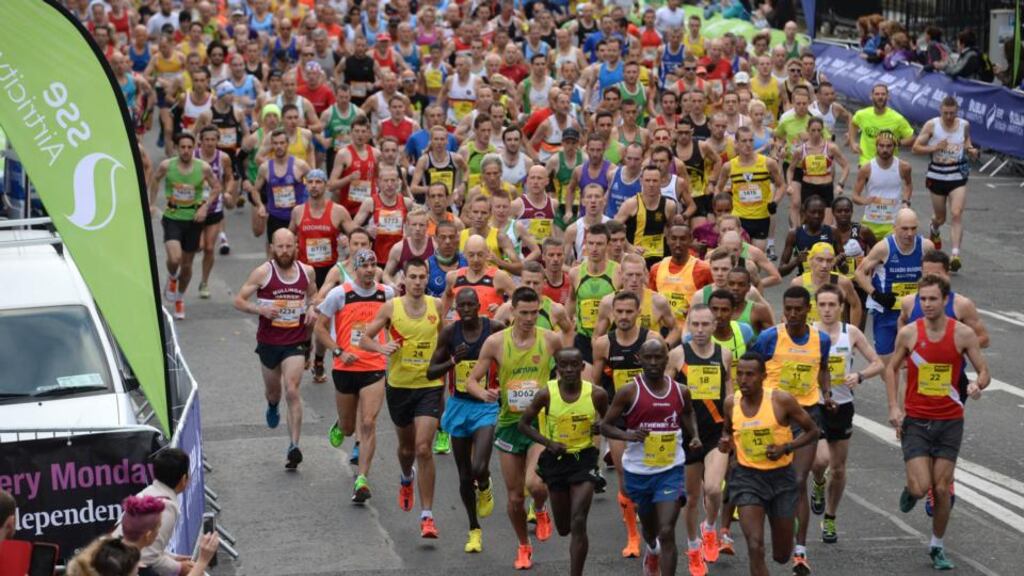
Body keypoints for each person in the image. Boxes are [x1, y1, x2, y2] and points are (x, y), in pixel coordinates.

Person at [886, 275, 989, 570]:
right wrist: (894, 407)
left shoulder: (963, 334)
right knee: (921, 488)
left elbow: (984, 371)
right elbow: (892, 368)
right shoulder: (909, 333)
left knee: (942, 488)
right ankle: (911, 491)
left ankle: (937, 546)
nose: (927, 304)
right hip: (916, 419)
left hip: (950, 420)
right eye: (923, 299)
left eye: (933, 299)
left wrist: (977, 385)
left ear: (945, 300)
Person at [465, 287, 563, 570]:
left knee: (535, 484)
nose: (530, 318)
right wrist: (484, 394)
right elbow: (471, 380)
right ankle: (523, 544)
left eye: (534, 313)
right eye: (524, 313)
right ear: (512, 311)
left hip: (539, 423)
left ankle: (540, 508)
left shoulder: (550, 339)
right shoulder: (496, 343)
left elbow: (570, 368)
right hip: (509, 424)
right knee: (515, 497)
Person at [750, 286, 836, 575]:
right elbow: (751, 368)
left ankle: (800, 552)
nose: (793, 314)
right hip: (774, 418)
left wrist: (827, 393)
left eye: (799, 309)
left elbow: (823, 368)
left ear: (808, 309)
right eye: (788, 309)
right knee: (766, 482)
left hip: (807, 417)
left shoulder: (821, 339)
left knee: (797, 480)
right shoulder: (769, 337)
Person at [358, 258, 445, 538]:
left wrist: (446, 372)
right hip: (399, 386)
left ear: (428, 278)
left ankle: (427, 515)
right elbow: (363, 339)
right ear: (404, 279)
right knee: (407, 450)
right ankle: (406, 477)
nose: (418, 282)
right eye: (413, 277)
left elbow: (444, 342)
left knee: (423, 448)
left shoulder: (437, 306)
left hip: (429, 385)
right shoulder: (391, 307)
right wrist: (381, 348)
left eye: (422, 277)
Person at [600, 339, 702, 576]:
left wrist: (695, 435)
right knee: (650, 530)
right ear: (639, 359)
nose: (654, 362)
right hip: (639, 472)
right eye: (649, 357)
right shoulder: (629, 391)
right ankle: (652, 550)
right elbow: (605, 426)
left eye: (659, 357)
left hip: (670, 469)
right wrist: (629, 435)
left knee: (667, 531)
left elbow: (688, 413)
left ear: (667, 359)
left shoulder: (680, 391)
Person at [720, 352, 820, 576]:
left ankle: (788, 526)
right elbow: (727, 430)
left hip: (781, 479)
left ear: (763, 376)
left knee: (781, 555)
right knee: (755, 545)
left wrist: (786, 447)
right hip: (747, 479)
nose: (743, 380)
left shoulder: (781, 400)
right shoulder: (731, 403)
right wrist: (726, 442)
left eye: (750, 374)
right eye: (739, 374)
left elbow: (813, 431)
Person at [517, 348, 609, 576]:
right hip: (556, 461)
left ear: (582, 367)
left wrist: (602, 426)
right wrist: (548, 443)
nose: (569, 370)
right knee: (564, 527)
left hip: (584, 459)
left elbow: (610, 419)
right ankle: (548, 513)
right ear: (556, 367)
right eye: (563, 365)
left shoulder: (596, 394)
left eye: (574, 365)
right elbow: (523, 424)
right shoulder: (546, 394)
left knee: (578, 521)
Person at [426, 289, 503, 553]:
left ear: (479, 305)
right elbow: (430, 372)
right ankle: (474, 529)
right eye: (462, 305)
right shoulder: (450, 333)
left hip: (485, 406)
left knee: (480, 466)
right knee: (464, 474)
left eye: (471, 304)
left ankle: (485, 484)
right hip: (459, 406)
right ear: (456, 308)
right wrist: (452, 361)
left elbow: (510, 356)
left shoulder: (494, 328)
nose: (467, 309)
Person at [234, 229, 317, 469]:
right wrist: (260, 310)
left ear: (296, 247)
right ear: (272, 248)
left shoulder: (307, 271)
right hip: (269, 342)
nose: (284, 251)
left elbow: (313, 295)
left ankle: (294, 446)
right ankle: (272, 406)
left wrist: (312, 307)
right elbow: (238, 300)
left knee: (292, 389)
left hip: (295, 341)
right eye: (280, 247)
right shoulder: (263, 272)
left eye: (289, 246)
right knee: (274, 393)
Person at [315, 249, 393, 502]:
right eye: (364, 265)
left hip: (374, 365)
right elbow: (319, 327)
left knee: (368, 422)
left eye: (373, 265)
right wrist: (338, 350)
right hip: (345, 366)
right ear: (355, 269)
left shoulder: (387, 294)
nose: (369, 270)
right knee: (349, 428)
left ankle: (362, 479)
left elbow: (397, 322)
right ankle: (341, 424)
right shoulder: (340, 294)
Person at [591, 290, 665, 558]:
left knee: (652, 473)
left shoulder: (652, 340)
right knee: (624, 474)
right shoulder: (603, 344)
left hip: (649, 417)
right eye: (619, 311)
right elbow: (596, 385)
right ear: (612, 313)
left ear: (638, 313)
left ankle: (650, 520)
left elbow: (664, 379)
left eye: (628, 311)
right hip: (619, 418)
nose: (623, 316)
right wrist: (596, 418)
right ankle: (633, 536)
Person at [806, 284, 883, 543]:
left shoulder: (851, 333)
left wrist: (859, 375)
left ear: (841, 307)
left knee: (838, 469)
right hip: (815, 404)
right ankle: (818, 482)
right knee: (820, 461)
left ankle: (830, 517)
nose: (827, 310)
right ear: (816, 307)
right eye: (822, 305)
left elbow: (878, 363)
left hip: (843, 405)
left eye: (832, 305)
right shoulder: (809, 333)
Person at [667, 304, 733, 576]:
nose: (700, 330)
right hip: (687, 435)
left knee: (714, 489)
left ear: (714, 326)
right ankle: (694, 547)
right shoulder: (678, 355)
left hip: (715, 433)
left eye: (706, 324)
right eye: (695, 324)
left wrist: (732, 428)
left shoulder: (724, 354)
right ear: (688, 325)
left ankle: (710, 527)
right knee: (692, 498)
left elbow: (729, 394)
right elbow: (667, 393)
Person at [147, 132, 221, 320]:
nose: (186, 151)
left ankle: (179, 298)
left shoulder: (203, 168)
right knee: (175, 258)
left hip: (193, 219)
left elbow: (216, 187)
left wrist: (205, 207)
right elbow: (155, 179)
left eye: (189, 147)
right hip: (172, 216)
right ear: (176, 148)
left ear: (194, 148)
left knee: (187, 266)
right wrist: (151, 203)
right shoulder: (167, 166)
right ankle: (172, 277)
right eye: (182, 147)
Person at [291, 168, 352, 382]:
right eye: (311, 182)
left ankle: (318, 360)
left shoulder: (338, 211)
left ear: (325, 185)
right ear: (306, 185)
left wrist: (346, 242)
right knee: (307, 319)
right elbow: (289, 236)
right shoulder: (298, 211)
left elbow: (355, 234)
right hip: (305, 272)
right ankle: (307, 345)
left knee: (322, 320)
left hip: (328, 273)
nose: (314, 185)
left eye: (319, 182)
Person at [855, 208, 934, 361]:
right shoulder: (884, 248)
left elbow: (937, 274)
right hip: (886, 310)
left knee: (916, 358)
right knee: (886, 360)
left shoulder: (926, 246)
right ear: (894, 228)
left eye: (913, 228)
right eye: (904, 228)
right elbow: (859, 273)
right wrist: (877, 295)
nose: (909, 233)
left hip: (914, 311)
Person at [912, 96, 979, 271]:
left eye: (952, 113)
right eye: (946, 113)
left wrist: (971, 150)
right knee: (940, 218)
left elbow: (966, 141)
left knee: (956, 213)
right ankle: (934, 228)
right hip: (937, 175)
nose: (949, 117)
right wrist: (934, 148)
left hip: (957, 175)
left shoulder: (964, 125)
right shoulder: (932, 125)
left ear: (957, 111)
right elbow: (916, 148)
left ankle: (955, 255)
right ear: (940, 111)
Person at [112, 448, 192, 576]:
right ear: (184, 479)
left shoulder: (149, 493)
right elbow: (148, 558)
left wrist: (173, 558)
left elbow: (147, 548)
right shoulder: (166, 508)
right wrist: (180, 568)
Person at [716, 126, 785, 251]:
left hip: (761, 217)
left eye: (751, 140)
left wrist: (775, 202)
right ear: (736, 143)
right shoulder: (729, 166)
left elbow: (781, 185)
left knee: (757, 256)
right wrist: (720, 211)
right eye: (744, 141)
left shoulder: (768, 163)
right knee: (738, 255)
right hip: (739, 218)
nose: (748, 144)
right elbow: (718, 189)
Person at [252, 129, 312, 251]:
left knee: (299, 251)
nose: (279, 146)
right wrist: (260, 205)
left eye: (282, 143)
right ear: (272, 145)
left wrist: (309, 203)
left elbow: (315, 184)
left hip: (297, 217)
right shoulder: (265, 168)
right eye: (275, 143)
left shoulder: (300, 165)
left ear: (287, 144)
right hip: (276, 217)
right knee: (275, 252)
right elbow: (255, 190)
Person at [851, 130, 913, 239]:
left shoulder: (904, 167)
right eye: (881, 145)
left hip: (893, 222)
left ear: (895, 147)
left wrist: (905, 201)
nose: (885, 149)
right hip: (871, 220)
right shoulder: (866, 168)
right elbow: (855, 196)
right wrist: (865, 201)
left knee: (891, 249)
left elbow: (908, 184)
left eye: (889, 146)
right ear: (876, 146)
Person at [649, 224, 713, 327]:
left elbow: (712, 302)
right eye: (674, 239)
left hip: (691, 329)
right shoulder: (656, 269)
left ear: (690, 240)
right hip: (662, 329)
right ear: (667, 240)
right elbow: (651, 301)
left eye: (683, 239)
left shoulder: (704, 269)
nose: (678, 244)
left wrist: (693, 311)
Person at [790, 242, 862, 328]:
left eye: (829, 261)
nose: (824, 265)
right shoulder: (799, 283)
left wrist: (852, 330)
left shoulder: (842, 282)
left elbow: (855, 305)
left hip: (833, 333)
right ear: (810, 260)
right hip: (808, 334)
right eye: (820, 260)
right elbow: (789, 310)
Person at [848, 84, 914, 167]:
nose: (880, 97)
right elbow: (853, 123)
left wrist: (897, 143)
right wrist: (852, 142)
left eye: (883, 94)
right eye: (877, 94)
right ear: (871, 96)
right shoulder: (862, 115)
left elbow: (911, 137)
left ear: (888, 97)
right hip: (866, 162)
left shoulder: (897, 118)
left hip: (888, 164)